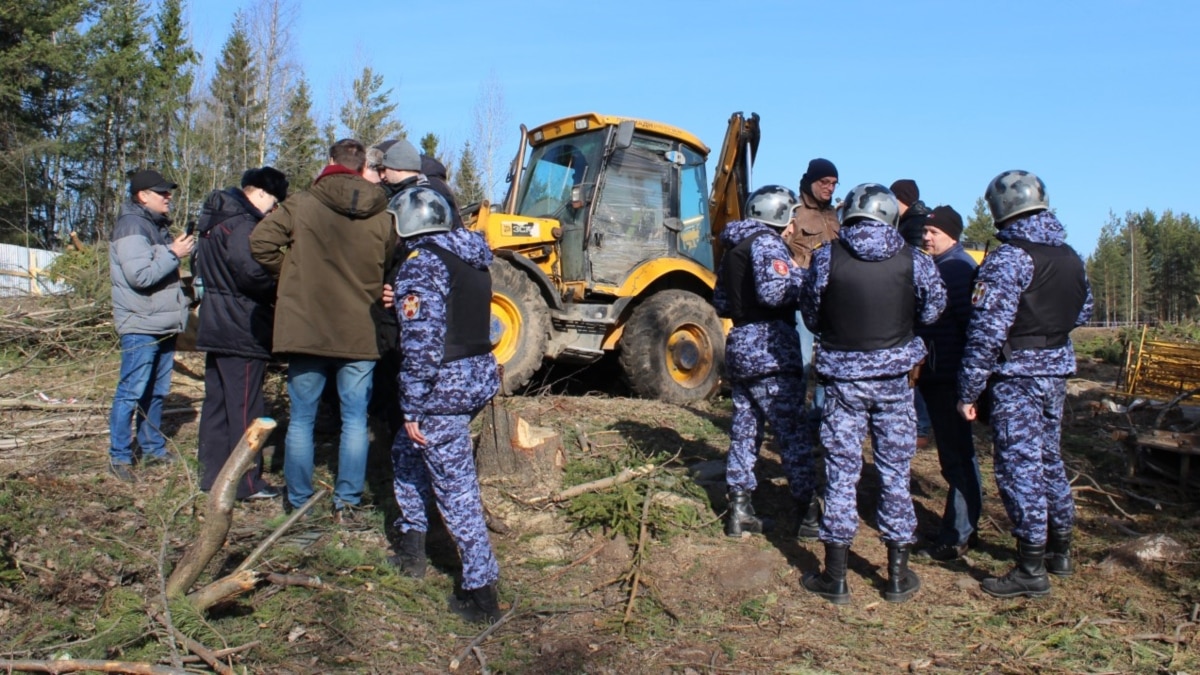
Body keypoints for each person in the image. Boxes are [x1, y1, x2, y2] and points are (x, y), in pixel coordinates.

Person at [799, 183, 946, 605]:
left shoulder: (828, 256)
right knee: (895, 473)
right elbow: (935, 309)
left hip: (843, 380)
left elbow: (811, 312)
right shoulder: (914, 259)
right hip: (895, 381)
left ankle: (836, 577)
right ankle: (897, 576)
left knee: (842, 473)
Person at [957, 170, 1092, 598]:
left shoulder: (1009, 259)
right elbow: (1082, 312)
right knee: (1049, 458)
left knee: (1019, 466)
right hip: (1055, 370)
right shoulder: (1070, 255)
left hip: (1017, 376)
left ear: (1000, 211)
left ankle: (1030, 566)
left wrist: (968, 391)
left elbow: (986, 333)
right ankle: (1061, 549)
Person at [249, 139, 396, 521]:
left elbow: (261, 242)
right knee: (355, 419)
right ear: (364, 167)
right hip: (359, 329)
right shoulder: (383, 216)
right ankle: (346, 502)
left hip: (307, 325)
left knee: (301, 418)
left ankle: (299, 502)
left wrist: (292, 279)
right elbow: (391, 264)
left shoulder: (302, 203)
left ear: (330, 162)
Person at [384, 186, 503, 624]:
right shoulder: (470, 258)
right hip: (472, 378)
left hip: (441, 391)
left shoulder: (422, 264)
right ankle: (413, 544)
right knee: (405, 452)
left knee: (457, 490)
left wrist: (413, 406)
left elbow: (422, 346)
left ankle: (481, 592)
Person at [711, 185, 815, 538]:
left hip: (740, 346)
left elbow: (721, 303)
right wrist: (807, 280)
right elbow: (775, 292)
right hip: (770, 349)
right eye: (790, 215)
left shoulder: (733, 248)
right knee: (792, 432)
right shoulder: (768, 244)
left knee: (745, 430)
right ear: (778, 214)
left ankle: (739, 510)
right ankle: (810, 513)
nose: (793, 224)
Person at [193, 167, 289, 500]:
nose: (273, 211)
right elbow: (250, 273)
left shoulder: (213, 222)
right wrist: (279, 285)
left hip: (215, 323)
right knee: (245, 408)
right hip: (242, 326)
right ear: (261, 193)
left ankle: (211, 475)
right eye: (274, 202)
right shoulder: (242, 225)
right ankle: (246, 482)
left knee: (217, 403)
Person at [107, 169, 195, 482]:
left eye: (169, 191)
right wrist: (174, 253)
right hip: (141, 324)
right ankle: (119, 456)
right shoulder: (132, 225)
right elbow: (140, 276)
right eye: (162, 192)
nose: (168, 197)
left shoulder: (155, 226)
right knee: (131, 392)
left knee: (156, 392)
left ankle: (152, 448)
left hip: (162, 323)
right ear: (143, 196)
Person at [913, 205, 983, 561]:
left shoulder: (958, 270)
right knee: (955, 456)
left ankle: (958, 534)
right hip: (940, 375)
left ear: (952, 235)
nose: (927, 237)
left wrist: (966, 383)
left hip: (950, 378)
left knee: (957, 457)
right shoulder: (944, 266)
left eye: (934, 233)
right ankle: (963, 525)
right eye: (925, 232)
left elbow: (972, 329)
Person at [782, 158, 841, 539]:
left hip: (834, 299)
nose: (829, 188)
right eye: (824, 181)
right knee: (803, 363)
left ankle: (820, 421)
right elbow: (782, 248)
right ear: (810, 181)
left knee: (828, 367)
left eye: (834, 182)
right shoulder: (793, 210)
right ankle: (798, 425)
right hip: (802, 297)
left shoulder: (836, 217)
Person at [891, 179, 935, 448]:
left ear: (901, 198)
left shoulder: (915, 224)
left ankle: (920, 427)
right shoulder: (916, 220)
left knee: (914, 369)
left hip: (913, 307)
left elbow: (917, 266)